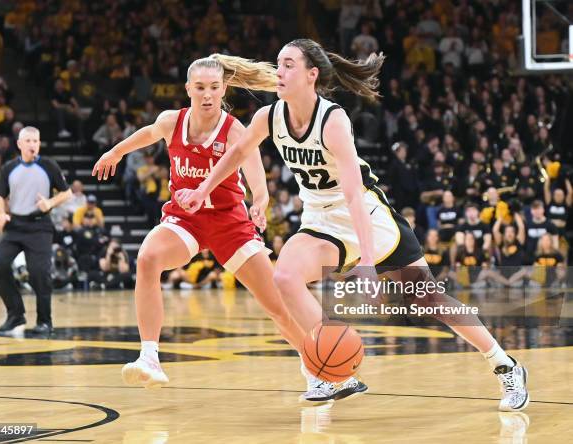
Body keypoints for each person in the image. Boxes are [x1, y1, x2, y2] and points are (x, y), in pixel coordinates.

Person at [176, 39, 529, 411]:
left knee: (428, 297)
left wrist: (366, 265)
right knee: (284, 278)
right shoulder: (269, 117)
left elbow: (354, 195)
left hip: (367, 218)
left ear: (312, 75)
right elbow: (237, 153)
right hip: (319, 218)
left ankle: (505, 364)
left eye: (288, 64)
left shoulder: (333, 121)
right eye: (278, 63)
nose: (278, 71)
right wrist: (202, 189)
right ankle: (336, 370)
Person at [92, 54, 364, 400]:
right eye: (201, 88)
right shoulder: (170, 122)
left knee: (277, 307)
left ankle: (315, 368)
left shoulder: (234, 129)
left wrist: (260, 201)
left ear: (224, 90)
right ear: (188, 88)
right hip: (185, 219)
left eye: (215, 88)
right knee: (147, 258)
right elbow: (145, 134)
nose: (207, 95)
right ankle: (150, 356)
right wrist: (115, 153)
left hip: (229, 223)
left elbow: (254, 172)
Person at [0, 126, 72, 335]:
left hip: (39, 226)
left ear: (39, 144)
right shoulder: (9, 168)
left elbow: (67, 193)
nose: (32, 145)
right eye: (28, 141)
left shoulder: (49, 166)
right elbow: (0, 195)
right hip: (15, 225)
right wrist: (1, 214)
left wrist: (50, 203)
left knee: (39, 273)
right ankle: (15, 314)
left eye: (35, 141)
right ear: (19, 144)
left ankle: (45, 321)